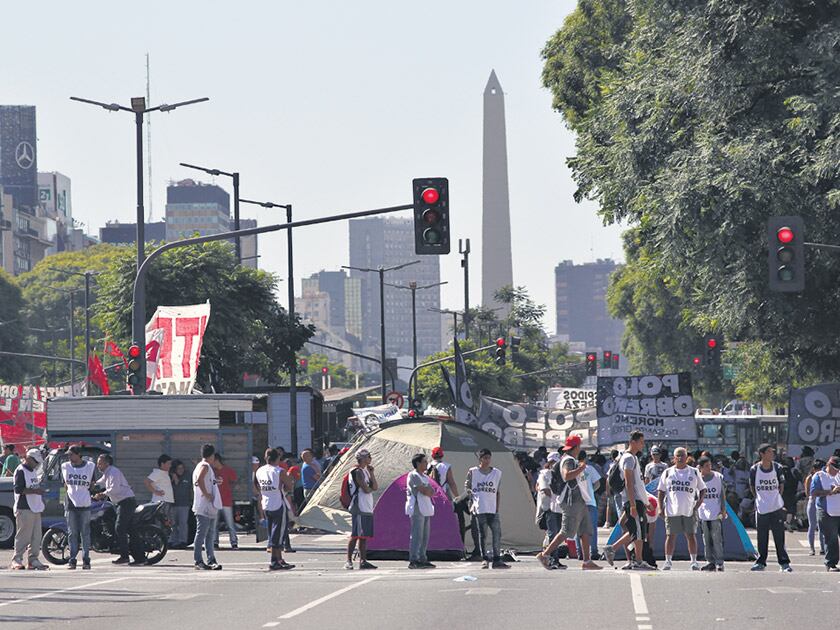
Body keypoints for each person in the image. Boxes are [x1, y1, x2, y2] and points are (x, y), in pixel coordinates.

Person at [537, 436, 601, 570]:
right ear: (577, 447)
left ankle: (587, 561)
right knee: (566, 531)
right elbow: (567, 476)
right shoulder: (569, 460)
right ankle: (545, 554)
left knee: (585, 530)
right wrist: (581, 468)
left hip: (579, 500)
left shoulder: (568, 459)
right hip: (571, 501)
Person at [603, 431, 655, 570]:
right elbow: (629, 482)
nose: (643, 445)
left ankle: (617, 551)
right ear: (633, 442)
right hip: (633, 500)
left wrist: (646, 502)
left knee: (633, 528)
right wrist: (632, 504)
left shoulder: (632, 458)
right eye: (641, 442)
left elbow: (638, 483)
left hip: (637, 499)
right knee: (638, 531)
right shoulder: (628, 459)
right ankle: (637, 560)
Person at [657, 446, 706, 571]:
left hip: (689, 510)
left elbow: (703, 488)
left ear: (686, 457)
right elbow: (661, 491)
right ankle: (668, 561)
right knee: (670, 536)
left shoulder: (694, 472)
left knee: (691, 535)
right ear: (674, 458)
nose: (680, 458)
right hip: (672, 510)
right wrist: (660, 507)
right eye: (677, 455)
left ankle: (694, 561)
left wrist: (699, 502)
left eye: (682, 455)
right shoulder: (668, 472)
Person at [94, 454, 145, 565]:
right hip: (122, 502)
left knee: (120, 528)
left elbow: (114, 489)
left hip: (126, 502)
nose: (98, 465)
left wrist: (102, 494)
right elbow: (101, 481)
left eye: (100, 463)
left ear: (107, 463)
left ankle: (125, 556)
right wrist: (92, 485)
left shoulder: (113, 472)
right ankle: (140, 557)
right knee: (131, 530)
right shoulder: (107, 473)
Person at [749, 443, 792, 572]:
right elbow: (752, 487)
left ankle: (784, 563)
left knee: (779, 536)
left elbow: (781, 485)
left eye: (772, 451)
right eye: (769, 452)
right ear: (762, 454)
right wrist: (759, 498)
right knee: (762, 536)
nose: (772, 454)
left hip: (776, 507)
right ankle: (761, 562)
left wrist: (776, 498)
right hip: (762, 507)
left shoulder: (777, 468)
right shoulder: (754, 469)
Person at [465, 448, 509, 569]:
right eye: (485, 458)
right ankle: (484, 558)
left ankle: (496, 559)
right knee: (482, 535)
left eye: (489, 458)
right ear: (480, 459)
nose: (487, 460)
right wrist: (472, 498)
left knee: (496, 534)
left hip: (492, 508)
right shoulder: (473, 472)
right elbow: (468, 487)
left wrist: (497, 507)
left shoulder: (496, 473)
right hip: (480, 508)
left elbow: (497, 491)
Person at [255, 448, 295, 570]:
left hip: (266, 503)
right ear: (277, 458)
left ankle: (279, 558)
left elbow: (257, 485)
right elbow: (289, 486)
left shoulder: (259, 471)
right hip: (278, 503)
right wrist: (284, 488)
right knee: (278, 533)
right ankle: (274, 560)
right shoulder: (279, 471)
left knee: (272, 531)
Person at [10, 448, 48, 570]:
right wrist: (35, 491)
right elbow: (19, 489)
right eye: (35, 461)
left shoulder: (32, 471)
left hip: (35, 507)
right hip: (24, 507)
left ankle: (33, 559)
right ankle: (17, 559)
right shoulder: (21, 471)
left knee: (36, 536)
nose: (37, 464)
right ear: (28, 458)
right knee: (23, 536)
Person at [61, 445, 96, 570]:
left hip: (85, 505)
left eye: (71, 454)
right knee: (72, 533)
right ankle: (72, 559)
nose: (69, 457)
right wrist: (62, 502)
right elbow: (63, 486)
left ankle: (86, 560)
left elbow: (92, 485)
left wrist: (89, 495)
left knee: (85, 533)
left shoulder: (90, 467)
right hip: (70, 505)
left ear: (78, 454)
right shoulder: (65, 467)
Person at [346, 448, 378, 570]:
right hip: (358, 505)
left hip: (367, 505)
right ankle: (348, 561)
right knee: (355, 534)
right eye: (368, 456)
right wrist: (369, 487)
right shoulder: (356, 471)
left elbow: (374, 487)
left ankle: (363, 560)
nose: (370, 458)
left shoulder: (365, 471)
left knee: (364, 535)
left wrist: (372, 473)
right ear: (363, 458)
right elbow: (366, 489)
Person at [192, 444, 222, 570]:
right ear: (212, 455)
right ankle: (198, 560)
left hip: (208, 506)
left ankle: (211, 559)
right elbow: (199, 480)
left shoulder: (203, 466)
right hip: (204, 506)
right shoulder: (204, 466)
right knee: (202, 533)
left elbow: (205, 481)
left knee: (209, 534)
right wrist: (206, 494)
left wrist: (215, 481)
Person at [810, 456, 840, 571]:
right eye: (834, 468)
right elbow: (814, 492)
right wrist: (830, 492)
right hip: (826, 511)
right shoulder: (819, 476)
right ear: (828, 465)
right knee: (831, 538)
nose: (836, 470)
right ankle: (831, 563)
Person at [407, 453, 436, 569]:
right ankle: (414, 559)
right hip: (417, 508)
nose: (426, 464)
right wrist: (428, 490)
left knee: (425, 535)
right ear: (418, 463)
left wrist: (428, 490)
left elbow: (432, 491)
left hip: (426, 507)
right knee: (417, 535)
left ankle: (423, 558)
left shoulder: (425, 477)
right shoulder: (413, 475)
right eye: (424, 462)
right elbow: (424, 490)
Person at [697, 456, 726, 572]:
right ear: (700, 468)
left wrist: (723, 509)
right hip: (703, 513)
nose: (709, 468)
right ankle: (710, 561)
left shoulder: (717, 477)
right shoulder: (697, 479)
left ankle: (719, 562)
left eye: (710, 465)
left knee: (716, 538)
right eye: (706, 466)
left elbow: (722, 495)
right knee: (706, 538)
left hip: (715, 512)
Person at [537, 452, 565, 569]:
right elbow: (545, 489)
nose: (555, 464)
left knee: (558, 534)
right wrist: (557, 495)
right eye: (553, 462)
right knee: (552, 533)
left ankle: (555, 559)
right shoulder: (545, 473)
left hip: (560, 508)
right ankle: (551, 558)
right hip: (549, 508)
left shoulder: (561, 474)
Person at [575, 448, 603, 561]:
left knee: (578, 528)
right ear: (585, 458)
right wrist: (591, 490)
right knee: (592, 528)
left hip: (577, 502)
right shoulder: (589, 468)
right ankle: (593, 551)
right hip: (590, 501)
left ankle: (579, 552)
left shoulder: (572, 469)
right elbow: (597, 483)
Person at [212, 453, 239, 550]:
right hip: (215, 501)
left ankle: (234, 542)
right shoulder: (212, 471)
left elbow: (234, 480)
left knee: (230, 524)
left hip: (226, 501)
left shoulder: (227, 470)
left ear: (217, 460)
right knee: (214, 524)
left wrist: (229, 489)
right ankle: (215, 542)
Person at [803, 460, 826, 556]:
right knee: (812, 525)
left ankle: (822, 547)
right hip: (812, 501)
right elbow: (808, 493)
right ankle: (811, 548)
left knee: (822, 526)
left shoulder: (825, 477)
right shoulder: (810, 478)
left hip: (821, 501)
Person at [169, 460, 192, 549]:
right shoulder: (171, 477)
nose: (181, 470)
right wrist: (174, 479)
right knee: (173, 524)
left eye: (182, 468)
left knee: (183, 523)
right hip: (173, 504)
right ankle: (172, 541)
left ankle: (183, 541)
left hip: (184, 504)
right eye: (179, 468)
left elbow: (189, 487)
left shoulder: (187, 475)